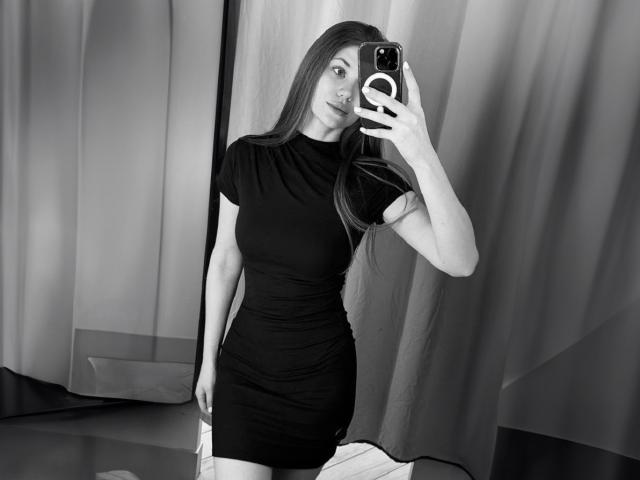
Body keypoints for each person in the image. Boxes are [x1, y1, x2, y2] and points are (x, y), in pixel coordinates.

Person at [195, 20, 478, 480]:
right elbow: (225, 259)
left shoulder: (368, 180)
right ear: (313, 68)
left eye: (361, 82)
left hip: (317, 382)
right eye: (338, 70)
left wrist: (420, 150)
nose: (346, 92)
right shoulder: (247, 156)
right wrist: (209, 359)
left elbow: (461, 260)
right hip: (244, 371)